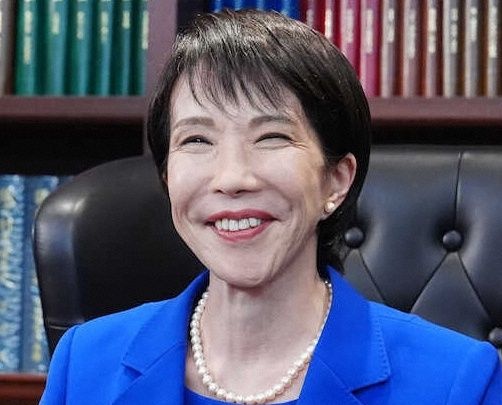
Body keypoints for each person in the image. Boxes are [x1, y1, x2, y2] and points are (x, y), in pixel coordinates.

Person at [41, 9, 501, 405]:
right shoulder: (85, 363)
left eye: (272, 137)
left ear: (336, 180)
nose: (231, 178)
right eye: (197, 140)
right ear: (167, 176)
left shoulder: (457, 380)